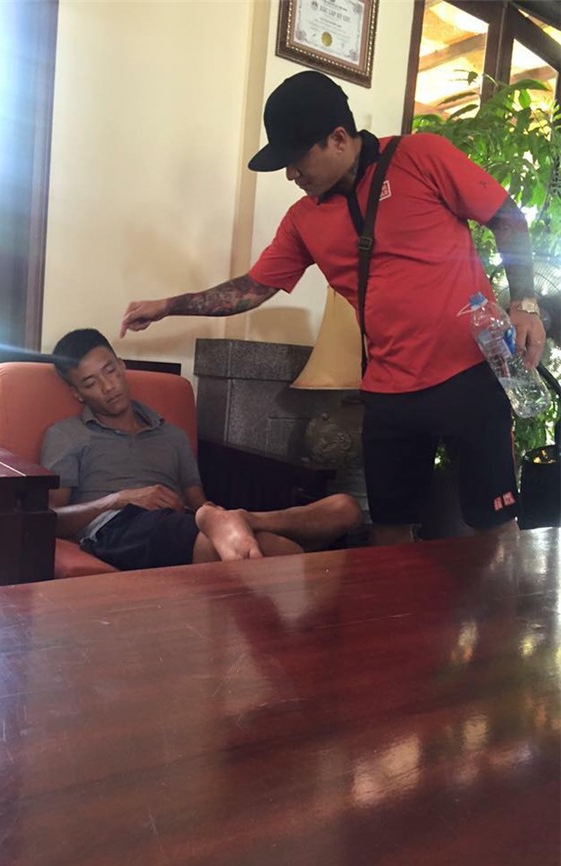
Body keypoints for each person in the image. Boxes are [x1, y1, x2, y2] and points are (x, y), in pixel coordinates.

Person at [120, 70, 546, 546]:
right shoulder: (303, 220)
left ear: (339, 139)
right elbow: (253, 288)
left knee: (495, 524)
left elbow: (507, 218)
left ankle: (502, 599)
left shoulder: (421, 156)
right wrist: (168, 306)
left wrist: (524, 304)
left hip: (467, 373)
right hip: (389, 390)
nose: (291, 174)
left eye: (297, 159)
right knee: (389, 529)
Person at [41, 328, 362, 571]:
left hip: (183, 522)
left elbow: (198, 504)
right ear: (77, 393)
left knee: (345, 507)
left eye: (110, 370)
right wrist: (119, 498)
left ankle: (246, 519)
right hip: (118, 528)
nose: (108, 386)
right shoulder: (66, 435)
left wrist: (213, 513)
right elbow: (50, 520)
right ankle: (249, 524)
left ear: (121, 365)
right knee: (277, 550)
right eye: (90, 383)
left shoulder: (172, 435)